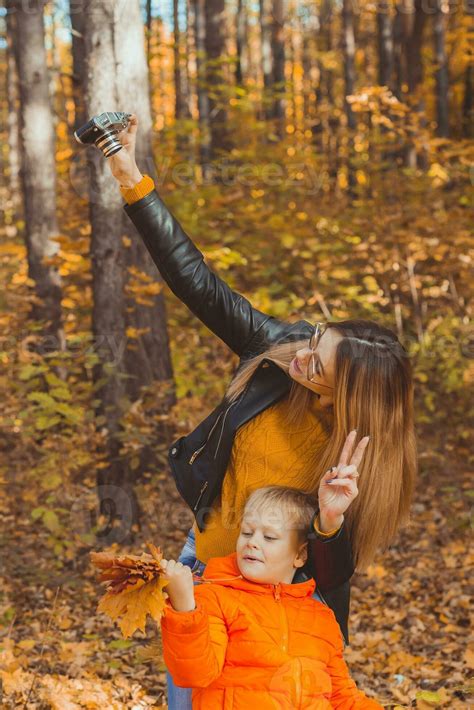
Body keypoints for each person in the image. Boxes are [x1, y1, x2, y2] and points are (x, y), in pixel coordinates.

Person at [106, 114, 417, 709]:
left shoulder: (358, 451)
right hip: (208, 566)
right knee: (188, 695)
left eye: (316, 367)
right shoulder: (281, 351)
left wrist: (328, 518)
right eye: (315, 340)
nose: (301, 357)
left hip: (285, 600)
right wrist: (133, 180)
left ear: (342, 396)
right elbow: (196, 281)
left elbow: (332, 571)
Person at [160, 485, 383, 709]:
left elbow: (343, 696)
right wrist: (185, 609)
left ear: (299, 555)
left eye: (269, 537)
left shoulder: (321, 618)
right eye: (246, 532)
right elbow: (196, 674)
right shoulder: (216, 597)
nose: (252, 542)